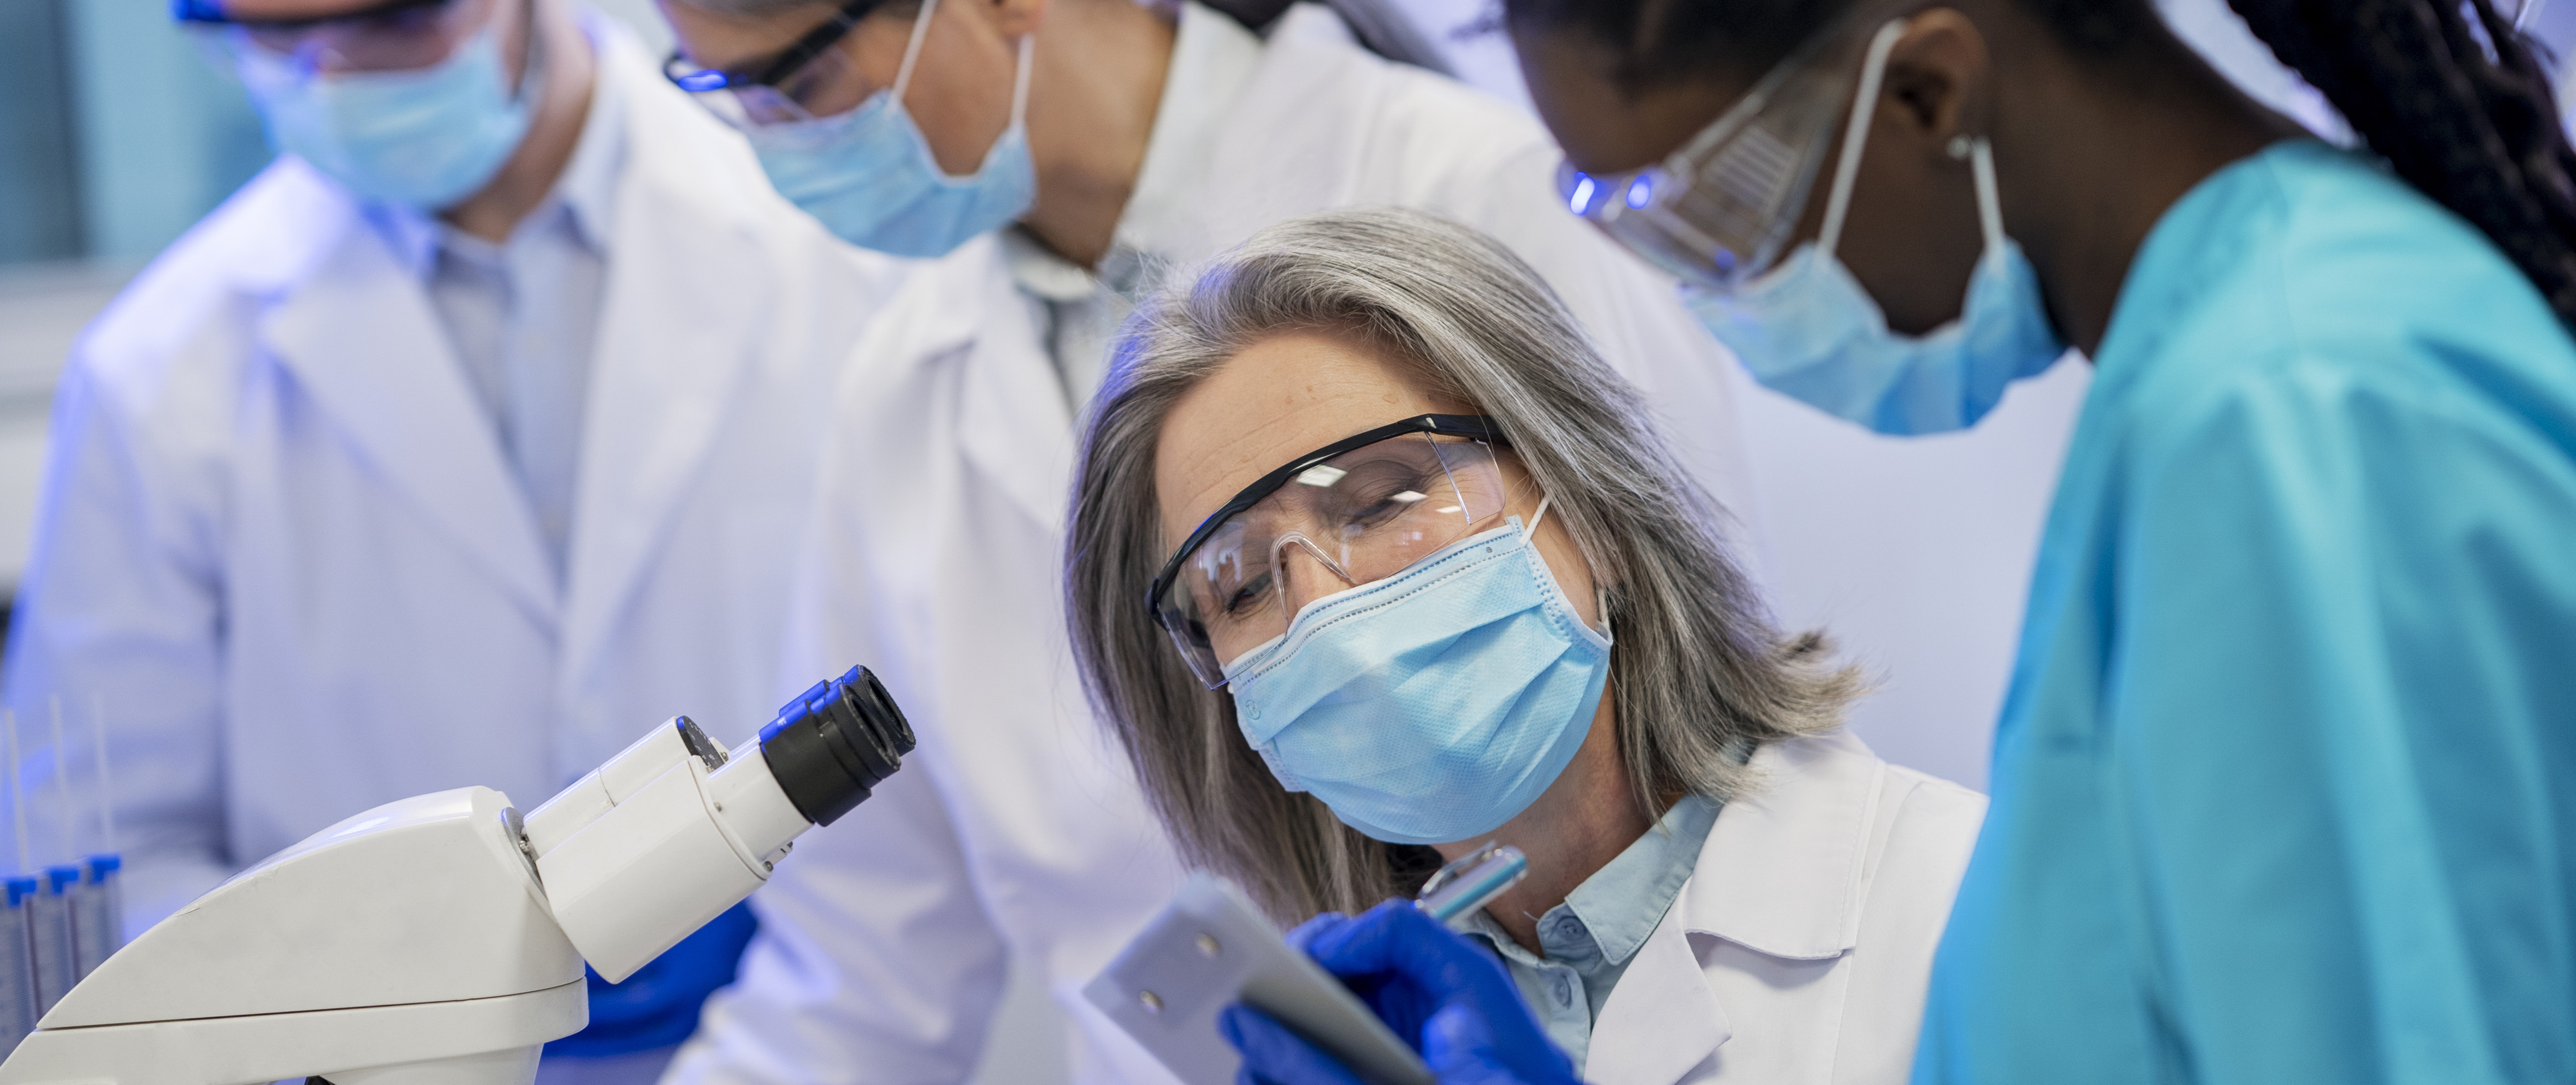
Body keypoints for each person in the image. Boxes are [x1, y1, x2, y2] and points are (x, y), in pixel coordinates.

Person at [1236, 1, 2576, 1082]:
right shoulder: (2213, 376)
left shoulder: (2291, 414)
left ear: (1927, 90)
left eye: (1695, 216)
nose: (1710, 296)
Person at [643, 0, 1766, 1080]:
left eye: (800, 80)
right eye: (728, 95)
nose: (776, 146)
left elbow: (1707, 684)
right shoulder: (902, 393)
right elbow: (864, 973)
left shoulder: (1462, 184)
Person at [1, 0, 905, 1077]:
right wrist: (376, 1002)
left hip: (823, 1023)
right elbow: (100, 864)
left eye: (388, 25)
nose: (334, 78)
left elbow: (948, 795)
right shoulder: (159, 375)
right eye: (275, 41)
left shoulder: (852, 248)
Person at [1064, 206, 1989, 1084]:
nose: (1317, 610)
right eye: (1243, 585)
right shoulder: (1344, 1039)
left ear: (1594, 503)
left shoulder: (1965, 907)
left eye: (1382, 497)